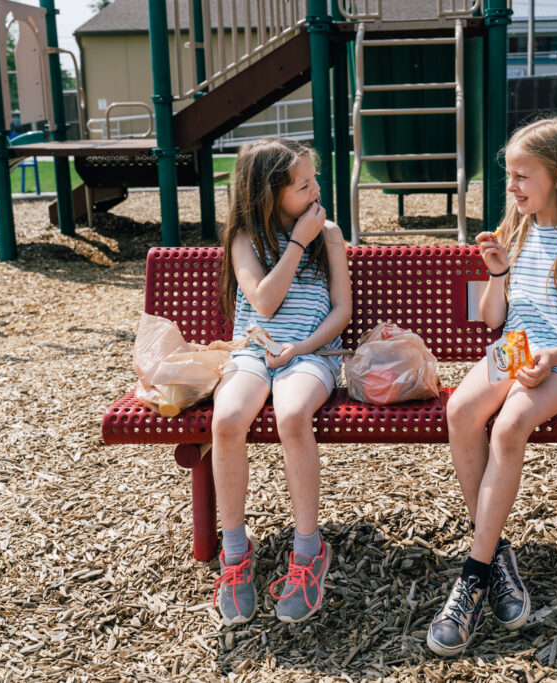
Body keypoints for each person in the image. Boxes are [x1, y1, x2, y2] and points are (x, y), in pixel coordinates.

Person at [427, 117, 557, 656]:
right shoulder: (518, 227)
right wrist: (496, 273)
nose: (511, 187)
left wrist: (552, 356)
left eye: (520, 176)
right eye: (509, 176)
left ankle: (470, 578)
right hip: (515, 349)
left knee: (509, 426)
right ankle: (498, 558)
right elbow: (493, 321)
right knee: (461, 411)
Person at [211, 137, 352, 625]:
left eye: (314, 180)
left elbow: (342, 311)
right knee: (227, 419)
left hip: (310, 355)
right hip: (254, 350)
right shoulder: (246, 239)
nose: (315, 191)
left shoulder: (328, 234)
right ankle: (234, 552)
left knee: (293, 416)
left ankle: (308, 551)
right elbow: (265, 304)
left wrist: (302, 348)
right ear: (268, 194)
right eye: (303, 185)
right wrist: (296, 243)